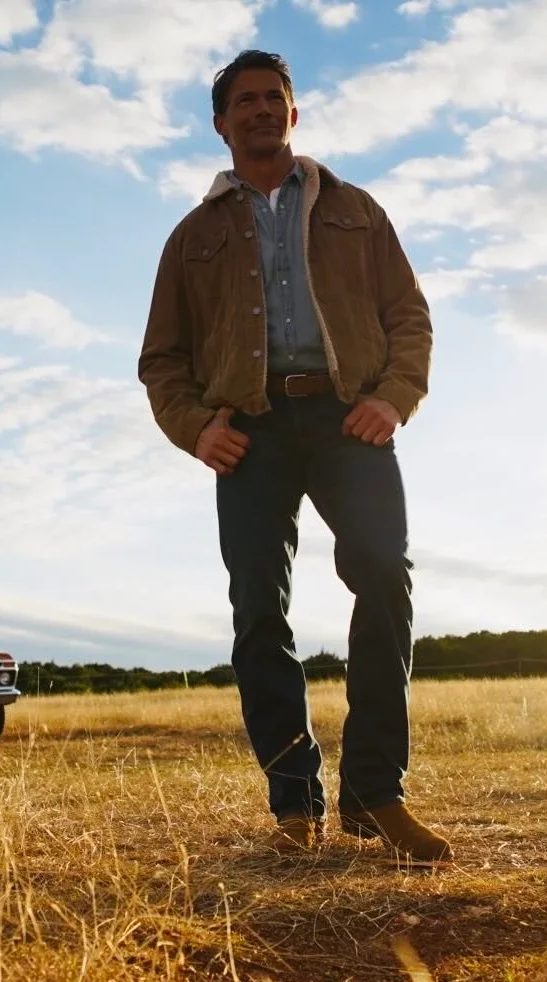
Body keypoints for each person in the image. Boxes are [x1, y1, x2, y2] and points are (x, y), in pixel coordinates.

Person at [137, 50, 451, 864]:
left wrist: (394, 397)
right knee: (258, 612)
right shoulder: (192, 236)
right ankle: (294, 808)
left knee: (384, 576)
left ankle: (377, 796)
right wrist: (197, 427)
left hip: (352, 419)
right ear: (221, 122)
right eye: (243, 101)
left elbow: (408, 318)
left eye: (273, 98)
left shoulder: (357, 209)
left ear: (293, 113)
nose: (259, 111)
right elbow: (162, 360)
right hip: (249, 429)